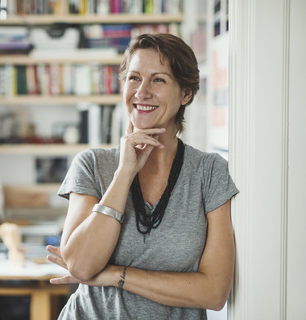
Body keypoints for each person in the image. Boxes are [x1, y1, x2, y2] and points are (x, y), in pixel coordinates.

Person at [46, 33, 239, 320]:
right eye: (134, 78)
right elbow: (82, 267)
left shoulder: (209, 172)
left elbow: (214, 292)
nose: (141, 92)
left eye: (158, 79)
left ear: (185, 93)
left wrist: (114, 275)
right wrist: (124, 174)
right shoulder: (93, 164)